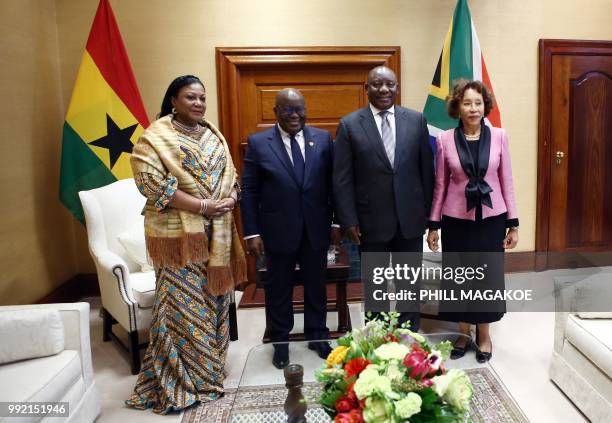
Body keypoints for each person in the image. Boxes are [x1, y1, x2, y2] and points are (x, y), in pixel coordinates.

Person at [126, 75, 246, 413]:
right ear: (174, 101)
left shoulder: (213, 133)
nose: (198, 104)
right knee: (182, 307)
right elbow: (152, 184)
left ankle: (209, 369)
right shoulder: (155, 137)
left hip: (218, 235)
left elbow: (232, 175)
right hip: (179, 238)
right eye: (191, 97)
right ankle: (185, 380)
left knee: (214, 302)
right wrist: (204, 206)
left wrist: (232, 198)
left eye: (202, 98)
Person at [241, 88, 338, 369]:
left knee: (316, 286)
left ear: (306, 110)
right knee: (279, 289)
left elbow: (333, 184)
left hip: (315, 228)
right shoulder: (259, 143)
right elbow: (250, 191)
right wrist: (252, 232)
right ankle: (280, 341)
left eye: (299, 109)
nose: (294, 115)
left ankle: (318, 335)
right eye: (287, 109)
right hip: (277, 230)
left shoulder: (322, 139)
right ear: (276, 112)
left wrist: (335, 221)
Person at [333, 66, 434, 331]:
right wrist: (348, 220)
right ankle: (376, 338)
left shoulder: (416, 120)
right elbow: (342, 179)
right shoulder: (350, 124)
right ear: (366, 89)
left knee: (409, 283)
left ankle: (408, 336)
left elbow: (427, 171)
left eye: (389, 84)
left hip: (410, 219)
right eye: (377, 84)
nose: (384, 89)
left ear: (397, 87)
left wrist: (428, 215)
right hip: (369, 221)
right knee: (375, 284)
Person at [426, 79, 519, 363]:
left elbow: (507, 181)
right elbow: (440, 183)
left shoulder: (500, 137)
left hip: (491, 219)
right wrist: (433, 225)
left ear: (485, 106)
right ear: (458, 106)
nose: (473, 108)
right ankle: (463, 332)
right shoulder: (444, 140)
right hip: (456, 220)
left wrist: (513, 223)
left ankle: (484, 334)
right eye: (467, 103)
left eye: (478, 103)